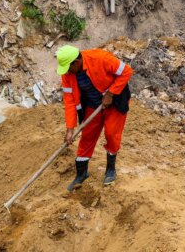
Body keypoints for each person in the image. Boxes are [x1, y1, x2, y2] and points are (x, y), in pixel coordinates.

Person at [56, 45, 133, 190]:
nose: (67, 72)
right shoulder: (67, 73)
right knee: (87, 135)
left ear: (76, 62)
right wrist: (70, 129)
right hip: (92, 103)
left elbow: (127, 71)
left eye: (68, 68)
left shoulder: (100, 58)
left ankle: (110, 169)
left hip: (115, 99)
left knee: (111, 133)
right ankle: (81, 174)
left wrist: (110, 94)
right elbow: (70, 101)